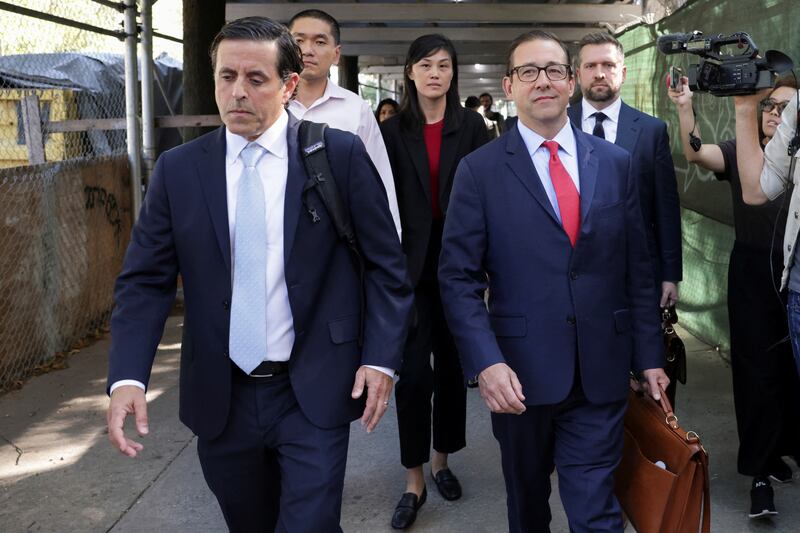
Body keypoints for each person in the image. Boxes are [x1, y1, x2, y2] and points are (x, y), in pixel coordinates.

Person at [105, 16, 413, 532]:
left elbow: (387, 267)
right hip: (221, 396)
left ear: (289, 85)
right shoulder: (180, 171)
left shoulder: (336, 156)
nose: (238, 92)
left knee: (310, 524)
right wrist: (127, 376)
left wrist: (381, 358)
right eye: (227, 77)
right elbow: (144, 280)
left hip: (311, 389)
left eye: (256, 79)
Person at [438, 30, 669, 533]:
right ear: (508, 86)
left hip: (600, 372)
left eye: (554, 71)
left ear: (571, 83)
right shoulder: (478, 172)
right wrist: (486, 362)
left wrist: (649, 357)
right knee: (527, 507)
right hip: (518, 377)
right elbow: (457, 277)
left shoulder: (615, 165)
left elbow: (637, 269)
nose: (542, 81)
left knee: (596, 511)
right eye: (528, 72)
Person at [669, 74, 800, 519]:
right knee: (756, 373)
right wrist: (686, 106)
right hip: (752, 271)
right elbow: (695, 153)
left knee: (788, 370)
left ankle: (781, 451)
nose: (776, 114)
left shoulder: (796, 154)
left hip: (795, 273)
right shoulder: (737, 148)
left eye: (785, 107)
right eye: (769, 106)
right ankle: (759, 472)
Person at [380, 35, 490, 530]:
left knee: (450, 370)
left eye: (445, 65)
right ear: (409, 72)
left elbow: (489, 193)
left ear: (453, 73)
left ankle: (443, 461)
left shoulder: (472, 128)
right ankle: (413, 478)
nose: (435, 74)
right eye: (426, 65)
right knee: (414, 374)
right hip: (408, 270)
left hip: (459, 267)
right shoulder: (390, 131)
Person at [569, 33, 683, 401]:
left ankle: (647, 457)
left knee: (644, 372)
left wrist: (670, 274)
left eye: (608, 66)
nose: (599, 74)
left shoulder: (650, 130)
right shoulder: (558, 123)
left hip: (639, 272)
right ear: (577, 74)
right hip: (574, 271)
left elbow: (665, 206)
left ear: (623, 72)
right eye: (591, 66)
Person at [287, 9, 402, 237]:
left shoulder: (355, 108)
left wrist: (391, 241)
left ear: (336, 54)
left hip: (340, 236)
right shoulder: (268, 106)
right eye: (299, 40)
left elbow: (380, 178)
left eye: (320, 42)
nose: (307, 50)